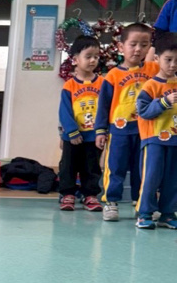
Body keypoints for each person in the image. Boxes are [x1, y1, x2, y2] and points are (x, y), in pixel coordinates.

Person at [94, 22, 157, 221]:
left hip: (146, 131)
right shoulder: (112, 75)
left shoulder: (154, 70)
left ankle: (141, 203)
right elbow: (103, 105)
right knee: (115, 167)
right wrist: (100, 130)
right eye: (133, 44)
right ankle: (111, 202)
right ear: (121, 47)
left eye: (144, 45)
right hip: (119, 130)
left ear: (150, 47)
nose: (138, 49)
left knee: (142, 169)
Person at [133, 33, 177, 230]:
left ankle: (168, 214)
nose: (173, 65)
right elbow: (143, 111)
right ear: (157, 58)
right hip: (154, 141)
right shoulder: (150, 86)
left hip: (175, 140)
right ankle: (144, 213)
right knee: (151, 178)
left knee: (173, 179)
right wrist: (163, 102)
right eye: (168, 60)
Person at [58, 36, 103, 211]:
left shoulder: (103, 84)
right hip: (73, 136)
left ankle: (90, 195)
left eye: (96, 56)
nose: (93, 60)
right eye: (88, 56)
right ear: (76, 59)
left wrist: (102, 131)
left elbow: (107, 108)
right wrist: (72, 131)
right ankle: (67, 194)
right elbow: (64, 111)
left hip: (94, 136)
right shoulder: (69, 86)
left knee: (92, 167)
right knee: (68, 166)